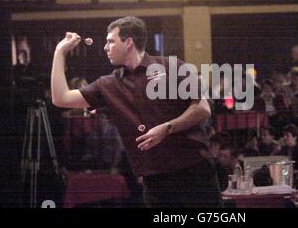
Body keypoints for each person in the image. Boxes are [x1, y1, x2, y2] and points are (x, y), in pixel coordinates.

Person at [51, 16, 222, 208]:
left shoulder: (172, 66)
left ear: (129, 42)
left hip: (194, 170)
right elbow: (61, 98)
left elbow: (202, 107)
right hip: (154, 180)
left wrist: (167, 128)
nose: (106, 47)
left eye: (110, 41)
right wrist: (60, 52)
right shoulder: (108, 84)